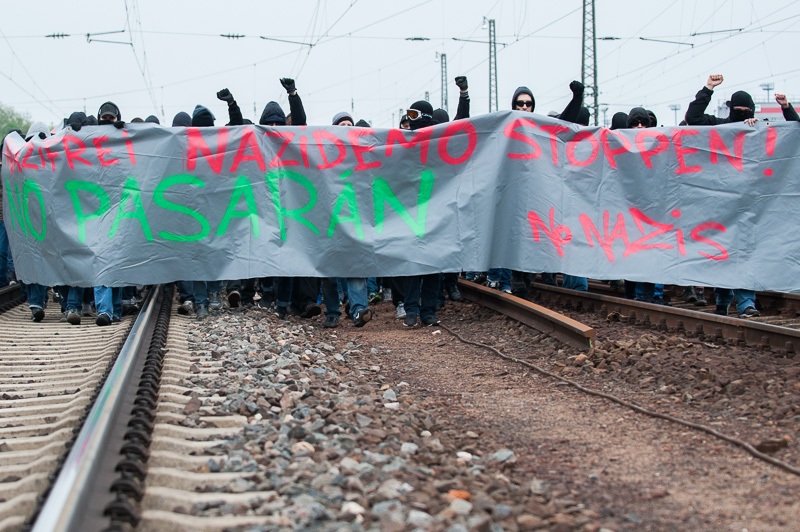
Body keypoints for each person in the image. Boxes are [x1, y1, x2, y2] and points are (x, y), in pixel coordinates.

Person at [685, 75, 760, 318]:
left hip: (745, 207)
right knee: (722, 255)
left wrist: (785, 109)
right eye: (737, 110)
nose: (741, 114)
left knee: (743, 256)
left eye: (744, 111)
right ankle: (723, 299)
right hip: (718, 207)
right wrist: (708, 89)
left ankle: (745, 302)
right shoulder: (717, 126)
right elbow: (693, 118)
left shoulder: (757, 131)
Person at [319, 112, 373, 328]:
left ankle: (358, 309)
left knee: (357, 267)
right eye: (342, 125)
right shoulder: (323, 156)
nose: (347, 127)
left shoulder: (363, 154)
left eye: (350, 124)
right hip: (330, 221)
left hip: (356, 221)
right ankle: (332, 312)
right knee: (329, 271)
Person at [401, 100, 441, 327]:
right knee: (411, 265)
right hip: (409, 210)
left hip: (434, 209)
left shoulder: (438, 137)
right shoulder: (403, 141)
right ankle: (412, 310)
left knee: (433, 265)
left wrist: (464, 96)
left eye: (413, 114)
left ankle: (428, 311)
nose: (409, 119)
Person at [189, 104, 224, 318]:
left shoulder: (221, 146)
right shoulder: (184, 145)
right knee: (202, 256)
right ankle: (206, 298)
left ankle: (209, 296)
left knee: (211, 254)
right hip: (195, 211)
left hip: (213, 209)